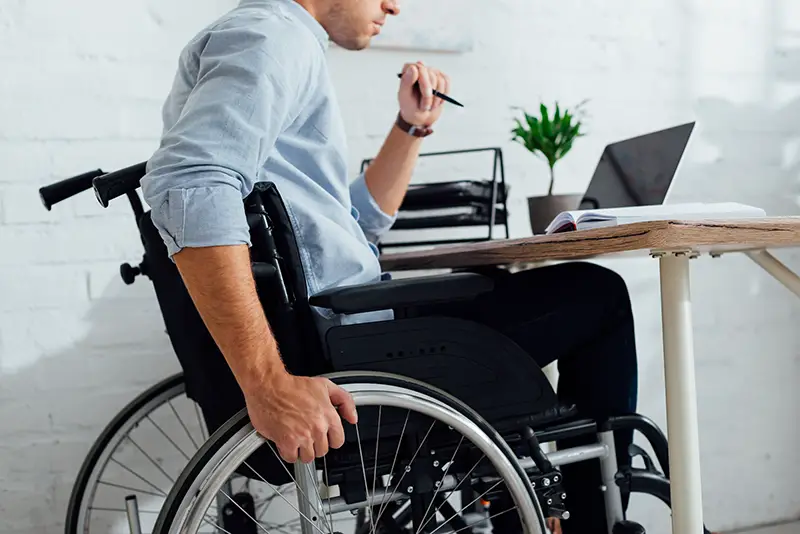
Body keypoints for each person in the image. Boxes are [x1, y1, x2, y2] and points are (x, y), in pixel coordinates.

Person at [140, 0, 638, 531]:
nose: (392, 6)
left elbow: (356, 223)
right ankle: (591, 522)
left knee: (507, 294)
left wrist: (410, 127)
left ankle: (533, 503)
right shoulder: (272, 38)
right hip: (352, 342)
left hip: (345, 323)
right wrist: (268, 384)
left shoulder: (281, 41)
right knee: (597, 294)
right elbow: (191, 186)